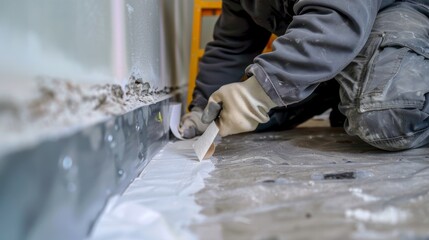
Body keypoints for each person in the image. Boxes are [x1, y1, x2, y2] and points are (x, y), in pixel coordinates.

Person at [179, 0, 429, 151]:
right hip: (329, 41)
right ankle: (339, 93)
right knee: (241, 118)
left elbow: (335, 19)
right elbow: (231, 46)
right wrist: (203, 107)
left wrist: (258, 92)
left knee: (384, 115)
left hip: (396, 13)